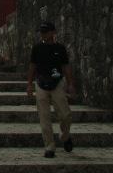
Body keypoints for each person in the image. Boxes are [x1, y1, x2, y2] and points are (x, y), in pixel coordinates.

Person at [26, 21, 76, 158]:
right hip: (41, 83)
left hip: (57, 82)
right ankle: (49, 146)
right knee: (44, 117)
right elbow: (32, 66)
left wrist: (70, 84)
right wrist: (29, 84)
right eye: (42, 31)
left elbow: (65, 66)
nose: (43, 34)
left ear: (53, 32)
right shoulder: (37, 48)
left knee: (65, 115)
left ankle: (65, 136)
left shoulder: (60, 48)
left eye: (46, 31)